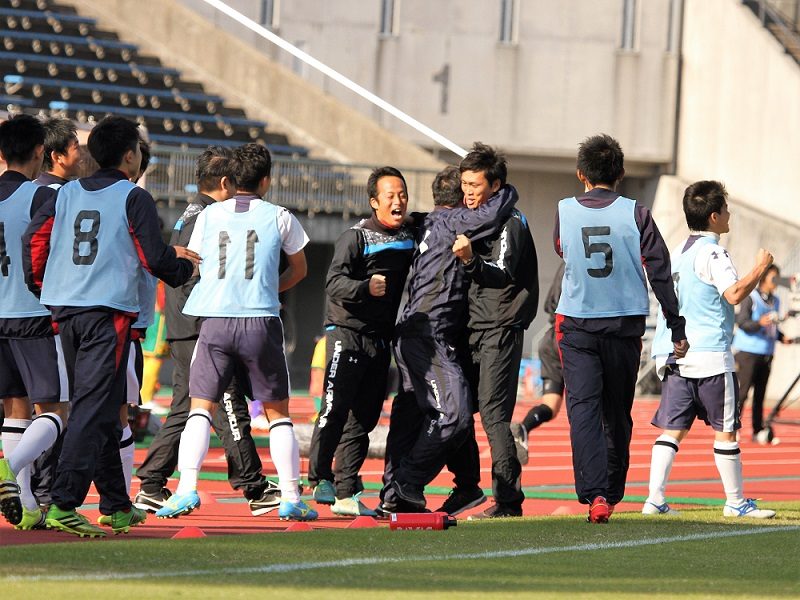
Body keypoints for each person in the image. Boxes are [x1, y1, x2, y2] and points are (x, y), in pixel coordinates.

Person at [22, 116, 198, 537]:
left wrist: (43, 285)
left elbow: (34, 240)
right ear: (130, 156)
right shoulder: (133, 196)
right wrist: (185, 270)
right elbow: (153, 257)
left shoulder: (66, 192)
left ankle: (116, 504)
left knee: (102, 407)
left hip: (65, 310)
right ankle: (63, 502)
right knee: (93, 406)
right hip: (107, 314)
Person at [154, 143, 314, 521]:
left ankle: (185, 489)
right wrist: (266, 289)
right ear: (266, 181)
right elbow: (300, 269)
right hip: (259, 320)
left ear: (231, 178)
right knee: (278, 414)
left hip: (215, 320)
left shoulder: (209, 215)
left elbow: (193, 262)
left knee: (200, 409)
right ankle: (290, 497)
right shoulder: (280, 216)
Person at [135, 146, 280, 517]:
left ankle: (151, 483)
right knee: (228, 404)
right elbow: (191, 274)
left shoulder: (193, 212)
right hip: (202, 324)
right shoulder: (209, 216)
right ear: (225, 182)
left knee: (186, 407)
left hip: (189, 322)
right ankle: (254, 486)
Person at [554, 133, 688, 523]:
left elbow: (562, 248)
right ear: (621, 173)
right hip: (624, 324)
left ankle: (594, 493)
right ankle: (610, 493)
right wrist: (676, 325)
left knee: (583, 409)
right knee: (616, 412)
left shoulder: (564, 210)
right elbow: (660, 271)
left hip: (578, 323)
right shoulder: (637, 213)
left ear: (581, 174)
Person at [381, 165, 518, 513]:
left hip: (412, 332)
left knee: (415, 413)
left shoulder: (427, 222)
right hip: (429, 336)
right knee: (453, 413)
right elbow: (493, 213)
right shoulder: (455, 220)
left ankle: (448, 488)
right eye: (468, 187)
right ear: (461, 197)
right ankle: (407, 483)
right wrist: (505, 188)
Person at [644, 180, 776, 519]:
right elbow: (734, 294)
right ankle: (735, 502)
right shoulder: (713, 252)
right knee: (726, 430)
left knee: (673, 430)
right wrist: (760, 267)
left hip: (675, 354)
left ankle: (654, 499)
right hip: (710, 354)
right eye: (726, 210)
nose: (729, 215)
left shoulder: (677, 251)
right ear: (714, 216)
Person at [307, 166, 416, 517]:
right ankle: (319, 478)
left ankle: (345, 492)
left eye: (402, 194)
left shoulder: (411, 234)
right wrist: (365, 287)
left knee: (364, 419)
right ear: (374, 202)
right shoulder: (356, 237)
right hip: (346, 333)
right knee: (335, 407)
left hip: (380, 341)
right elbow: (333, 283)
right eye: (390, 195)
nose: (398, 201)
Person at [441, 143, 539, 519]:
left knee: (494, 415)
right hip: (470, 328)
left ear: (495, 185)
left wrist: (469, 260)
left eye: (475, 185)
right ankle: (468, 486)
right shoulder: (471, 218)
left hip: (501, 327)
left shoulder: (511, 220)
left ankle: (509, 501)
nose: (467, 192)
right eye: (464, 184)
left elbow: (501, 272)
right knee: (457, 409)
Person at [0, 115, 68, 531]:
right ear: (41, 152)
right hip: (31, 314)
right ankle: (7, 469)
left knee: (16, 407)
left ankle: (24, 503)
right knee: (56, 410)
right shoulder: (41, 196)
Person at [509, 262, 566, 465]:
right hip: (570, 336)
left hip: (550, 338)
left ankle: (524, 427)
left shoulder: (563, 265)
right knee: (590, 402)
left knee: (551, 404)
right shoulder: (578, 263)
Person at [732, 264, 792, 444]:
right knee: (742, 394)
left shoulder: (776, 301)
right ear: (764, 277)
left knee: (760, 395)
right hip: (748, 353)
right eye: (773, 277)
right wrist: (759, 323)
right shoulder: (751, 297)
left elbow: (773, 327)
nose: (776, 281)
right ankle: (732, 429)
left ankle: (757, 431)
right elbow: (742, 322)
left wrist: (781, 337)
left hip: (766, 353)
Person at [33, 117, 82, 189]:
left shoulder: (33, 185)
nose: (82, 152)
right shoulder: (60, 192)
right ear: (57, 157)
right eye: (76, 147)